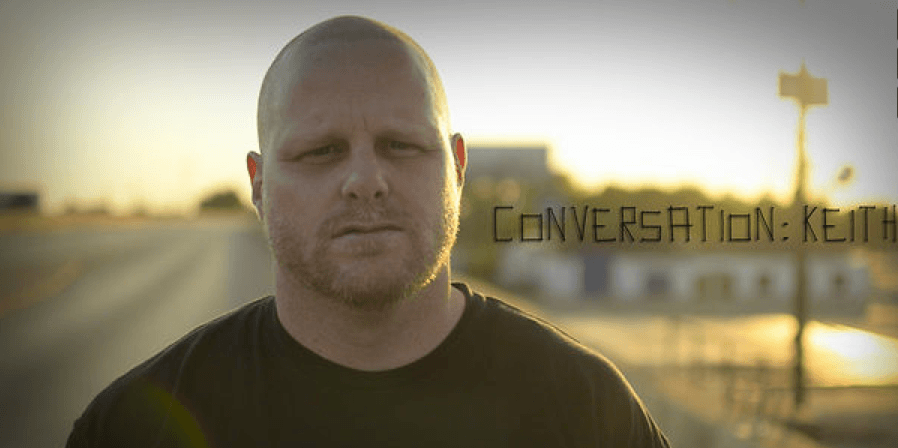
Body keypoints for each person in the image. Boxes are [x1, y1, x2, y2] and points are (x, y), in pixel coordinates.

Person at [67, 16, 670, 447]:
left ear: (457, 169)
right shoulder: (135, 425)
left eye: (401, 145)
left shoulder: (589, 409)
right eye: (321, 151)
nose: (365, 181)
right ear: (259, 184)